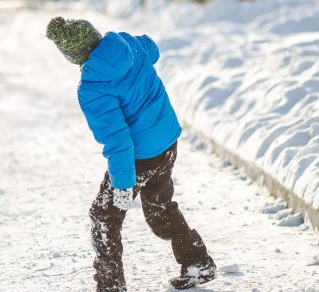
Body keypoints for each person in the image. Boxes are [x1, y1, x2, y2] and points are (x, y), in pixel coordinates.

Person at [46, 17, 216, 291]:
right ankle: (197, 262)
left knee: (103, 216)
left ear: (72, 55)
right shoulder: (129, 43)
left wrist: (123, 186)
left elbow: (119, 142)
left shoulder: (92, 88)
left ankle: (111, 286)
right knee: (159, 209)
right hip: (167, 142)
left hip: (141, 157)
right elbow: (153, 49)